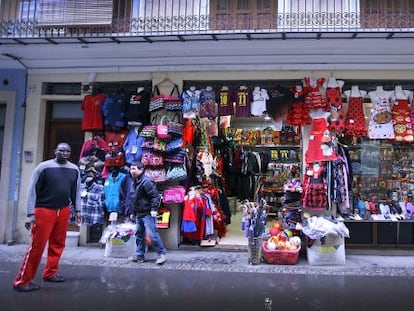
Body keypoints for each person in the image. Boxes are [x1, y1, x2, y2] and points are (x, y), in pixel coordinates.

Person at [12, 142, 81, 292]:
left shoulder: (74, 169)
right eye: (61, 150)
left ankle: (50, 273)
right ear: (55, 151)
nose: (64, 153)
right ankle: (22, 281)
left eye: (68, 151)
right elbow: (32, 191)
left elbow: (76, 190)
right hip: (43, 210)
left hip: (63, 210)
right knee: (37, 247)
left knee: (58, 243)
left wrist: (78, 210)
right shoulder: (43, 167)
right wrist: (30, 214)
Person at [128, 161, 167, 265]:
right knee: (139, 235)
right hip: (139, 213)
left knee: (152, 234)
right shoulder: (134, 182)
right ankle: (139, 255)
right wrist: (133, 212)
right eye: (131, 168)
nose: (132, 171)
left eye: (134, 169)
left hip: (147, 213)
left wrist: (154, 209)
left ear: (141, 170)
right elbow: (134, 199)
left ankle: (161, 254)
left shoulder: (146, 182)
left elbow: (155, 196)